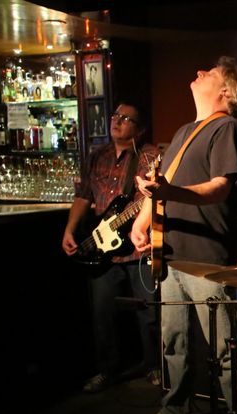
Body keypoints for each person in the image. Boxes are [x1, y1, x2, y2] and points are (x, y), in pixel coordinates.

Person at [129, 56, 237, 414]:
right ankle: (175, 411)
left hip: (207, 257)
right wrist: (141, 223)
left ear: (225, 91)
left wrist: (170, 192)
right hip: (170, 254)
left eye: (210, 73)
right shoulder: (185, 132)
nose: (198, 72)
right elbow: (160, 186)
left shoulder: (227, 128)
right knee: (174, 341)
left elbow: (220, 188)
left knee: (225, 344)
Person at [61, 101, 161, 393]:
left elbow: (154, 196)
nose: (116, 121)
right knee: (102, 314)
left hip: (137, 248)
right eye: (115, 115)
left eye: (126, 118)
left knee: (148, 312)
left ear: (139, 129)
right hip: (101, 247)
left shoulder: (150, 156)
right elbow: (83, 196)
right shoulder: (97, 156)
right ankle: (107, 370)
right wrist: (69, 229)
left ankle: (154, 366)